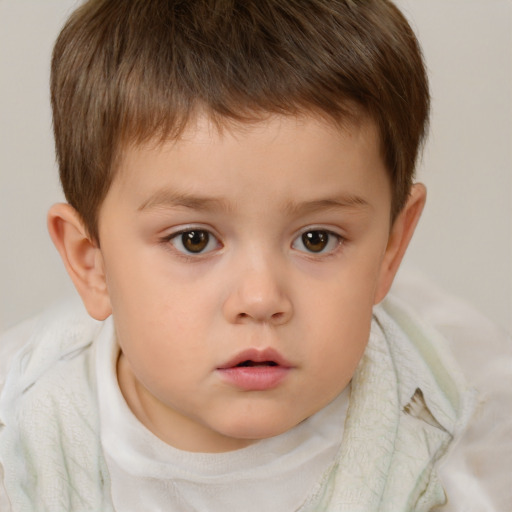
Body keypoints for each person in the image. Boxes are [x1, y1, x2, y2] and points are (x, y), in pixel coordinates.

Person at [0, 0, 510, 510]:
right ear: (93, 262)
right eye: (194, 240)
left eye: (317, 239)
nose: (261, 298)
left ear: (389, 251)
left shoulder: (450, 439)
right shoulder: (23, 446)